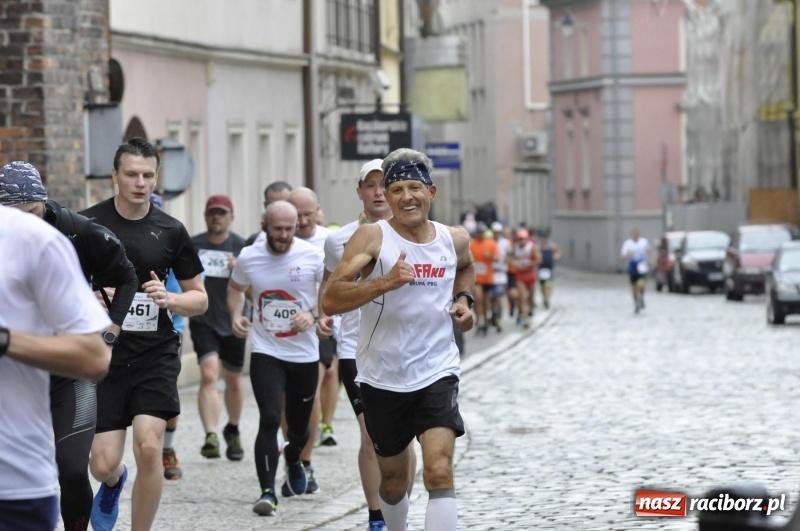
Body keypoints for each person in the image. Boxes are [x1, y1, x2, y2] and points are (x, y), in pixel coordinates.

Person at [322, 148, 475, 531]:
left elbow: (467, 266)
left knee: (439, 471)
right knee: (393, 482)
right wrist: (386, 281)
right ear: (387, 198)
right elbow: (330, 298)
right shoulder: (372, 237)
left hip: (437, 369)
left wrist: (463, 300)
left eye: (414, 187)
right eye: (397, 189)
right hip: (382, 376)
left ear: (431, 192)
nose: (407, 196)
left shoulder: (453, 239)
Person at [0, 161, 138, 531]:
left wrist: (111, 330)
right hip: (18, 372)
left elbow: (126, 276)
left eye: (31, 214)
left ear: (43, 203)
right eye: (14, 217)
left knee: (73, 469)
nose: (25, 225)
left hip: (69, 369)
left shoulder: (76, 231)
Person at [81, 137, 208, 531]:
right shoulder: (87, 225)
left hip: (155, 353)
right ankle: (115, 483)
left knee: (150, 448)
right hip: (105, 354)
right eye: (132, 174)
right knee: (102, 464)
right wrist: (92, 300)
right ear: (115, 176)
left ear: (157, 179)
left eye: (148, 175)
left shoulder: (171, 230)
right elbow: (60, 286)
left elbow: (200, 299)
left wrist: (169, 298)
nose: (140, 182)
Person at [319, 158, 417, 531]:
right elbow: (328, 287)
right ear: (359, 191)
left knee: (402, 440)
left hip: (405, 350)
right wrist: (322, 315)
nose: (378, 191)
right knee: (371, 434)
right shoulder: (338, 238)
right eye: (371, 185)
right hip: (355, 350)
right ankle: (377, 516)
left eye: (385, 184)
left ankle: (398, 509)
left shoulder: (419, 234)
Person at [227, 201, 324, 516]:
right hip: (266, 350)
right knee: (269, 417)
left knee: (299, 427)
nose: (283, 235)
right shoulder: (250, 256)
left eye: (289, 229)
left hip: (304, 353)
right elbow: (235, 287)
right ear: (264, 225)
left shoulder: (312, 256)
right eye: (277, 228)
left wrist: (313, 314)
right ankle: (267, 492)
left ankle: (294, 456)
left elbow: (331, 293)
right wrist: (236, 315)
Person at [190, 195, 247, 462]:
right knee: (209, 375)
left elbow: (255, 285)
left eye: (222, 213)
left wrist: (240, 271)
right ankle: (210, 434)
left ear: (231, 217)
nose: (217, 217)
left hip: (233, 321)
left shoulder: (241, 247)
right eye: (212, 213)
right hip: (204, 320)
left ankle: (233, 428)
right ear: (205, 216)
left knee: (233, 379)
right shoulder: (194, 246)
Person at [285, 187, 334, 495]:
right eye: (296, 214)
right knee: (283, 402)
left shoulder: (332, 241)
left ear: (318, 211)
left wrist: (317, 315)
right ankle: (292, 457)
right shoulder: (274, 239)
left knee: (310, 393)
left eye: (308, 213)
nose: (302, 221)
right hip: (280, 333)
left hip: (321, 327)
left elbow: (337, 288)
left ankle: (306, 459)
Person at [469, 222, 498, 335]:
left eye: (482, 232)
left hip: (488, 278)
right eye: (479, 232)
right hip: (476, 278)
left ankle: (485, 320)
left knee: (486, 301)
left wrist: (489, 256)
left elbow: (496, 258)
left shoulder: (491, 244)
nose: (481, 234)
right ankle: (480, 320)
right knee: (478, 298)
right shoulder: (471, 244)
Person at [244, 181, 293, 246]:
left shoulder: (307, 241)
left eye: (284, 205)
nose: (279, 211)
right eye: (273, 206)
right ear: (265, 206)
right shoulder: (254, 242)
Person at [510, 228, 541, 328]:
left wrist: (529, 263)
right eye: (519, 239)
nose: (521, 241)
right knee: (522, 296)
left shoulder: (532, 247)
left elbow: (539, 260)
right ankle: (525, 318)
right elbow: (510, 259)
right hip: (520, 275)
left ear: (527, 239)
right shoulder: (515, 248)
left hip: (530, 274)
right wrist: (515, 263)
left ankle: (530, 307)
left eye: (523, 239)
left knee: (531, 297)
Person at [621, 228, 650, 313]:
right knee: (634, 288)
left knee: (641, 285)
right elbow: (622, 256)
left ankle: (641, 297)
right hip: (632, 267)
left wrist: (650, 261)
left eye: (636, 235)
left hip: (642, 267)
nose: (635, 237)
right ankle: (636, 303)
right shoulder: (627, 244)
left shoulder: (644, 242)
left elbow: (649, 251)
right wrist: (628, 255)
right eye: (633, 235)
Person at [489, 221, 511, 332]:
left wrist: (508, 261)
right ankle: (493, 313)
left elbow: (509, 256)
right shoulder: (488, 242)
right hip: (489, 273)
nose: (496, 234)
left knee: (498, 296)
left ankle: (498, 318)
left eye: (498, 232)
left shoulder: (506, 243)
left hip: (501, 273)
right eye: (494, 232)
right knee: (491, 298)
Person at [536, 228, 561, 309]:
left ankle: (547, 299)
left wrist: (555, 256)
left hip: (548, 268)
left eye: (545, 237)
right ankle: (544, 297)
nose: (544, 239)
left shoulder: (551, 245)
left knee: (548, 284)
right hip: (540, 268)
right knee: (542, 285)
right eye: (542, 237)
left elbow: (558, 252)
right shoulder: (538, 245)